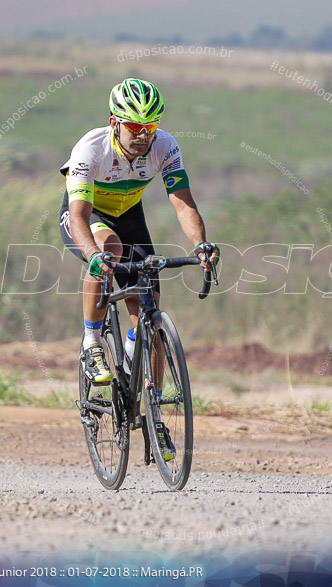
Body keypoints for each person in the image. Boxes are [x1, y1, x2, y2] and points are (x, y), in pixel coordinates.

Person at [59, 78, 218, 460]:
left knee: (150, 317)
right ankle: (92, 343)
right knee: (109, 250)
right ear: (115, 122)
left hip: (130, 216)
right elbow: (78, 215)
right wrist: (94, 255)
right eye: (134, 127)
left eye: (151, 127)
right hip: (89, 216)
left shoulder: (165, 146)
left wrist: (200, 245)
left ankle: (153, 415)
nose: (143, 135)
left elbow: (182, 202)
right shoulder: (90, 149)